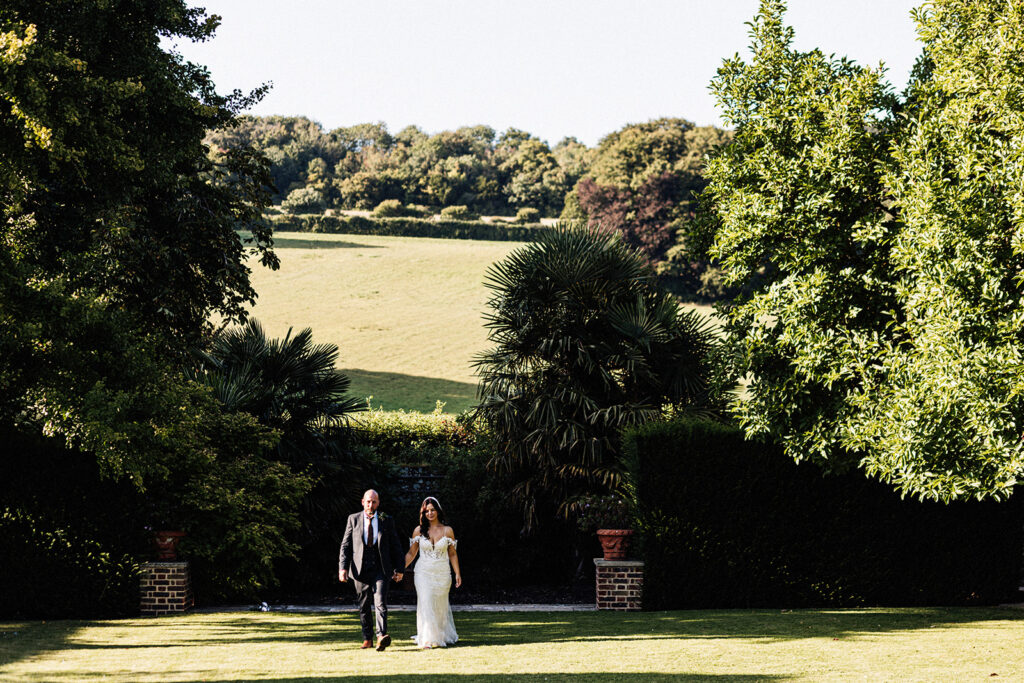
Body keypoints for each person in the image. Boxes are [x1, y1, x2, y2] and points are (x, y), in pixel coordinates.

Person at [339, 489, 404, 651]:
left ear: (378, 503)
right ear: (363, 502)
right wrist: (343, 568)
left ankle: (381, 636)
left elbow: (395, 545)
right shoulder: (353, 519)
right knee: (364, 605)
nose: (370, 504)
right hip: (359, 570)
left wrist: (400, 568)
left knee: (380, 601)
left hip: (381, 568)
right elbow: (346, 545)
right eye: (368, 501)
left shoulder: (385, 519)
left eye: (374, 501)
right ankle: (367, 638)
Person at [404, 496, 461, 649]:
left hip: (442, 573)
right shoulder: (418, 530)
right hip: (423, 572)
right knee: (426, 601)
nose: (430, 513)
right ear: (423, 513)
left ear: (438, 511)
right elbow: (411, 553)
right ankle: (427, 639)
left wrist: (457, 573)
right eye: (426, 511)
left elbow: (453, 554)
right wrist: (399, 568)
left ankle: (439, 635)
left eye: (432, 510)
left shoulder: (448, 531)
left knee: (440, 606)